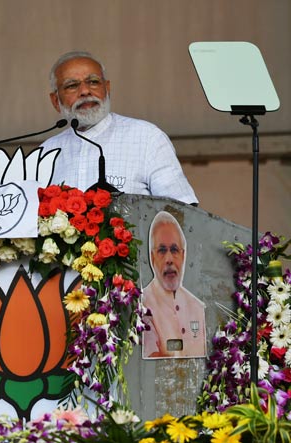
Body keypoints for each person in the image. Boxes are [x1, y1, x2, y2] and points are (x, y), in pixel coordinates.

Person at [41, 51, 198, 205]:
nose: (85, 91)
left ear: (107, 89)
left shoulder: (147, 137)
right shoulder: (46, 152)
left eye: (93, 82)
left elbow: (181, 210)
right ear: (55, 100)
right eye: (72, 86)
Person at [141, 211, 206, 358]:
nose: (169, 259)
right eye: (162, 251)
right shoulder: (142, 304)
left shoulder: (197, 307)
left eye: (174, 250)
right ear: (152, 257)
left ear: (183, 255)